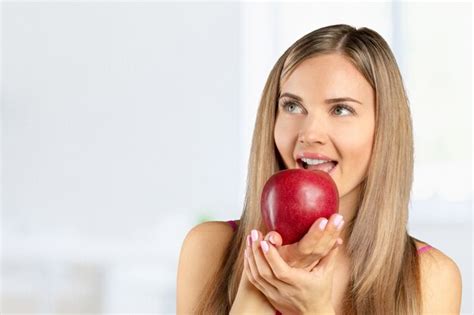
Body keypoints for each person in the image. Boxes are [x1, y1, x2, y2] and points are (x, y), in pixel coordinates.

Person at [176, 24, 462, 314]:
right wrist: (261, 281)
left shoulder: (430, 277)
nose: (310, 133)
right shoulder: (209, 248)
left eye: (340, 109)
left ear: (384, 129)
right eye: (292, 106)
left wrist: (316, 309)